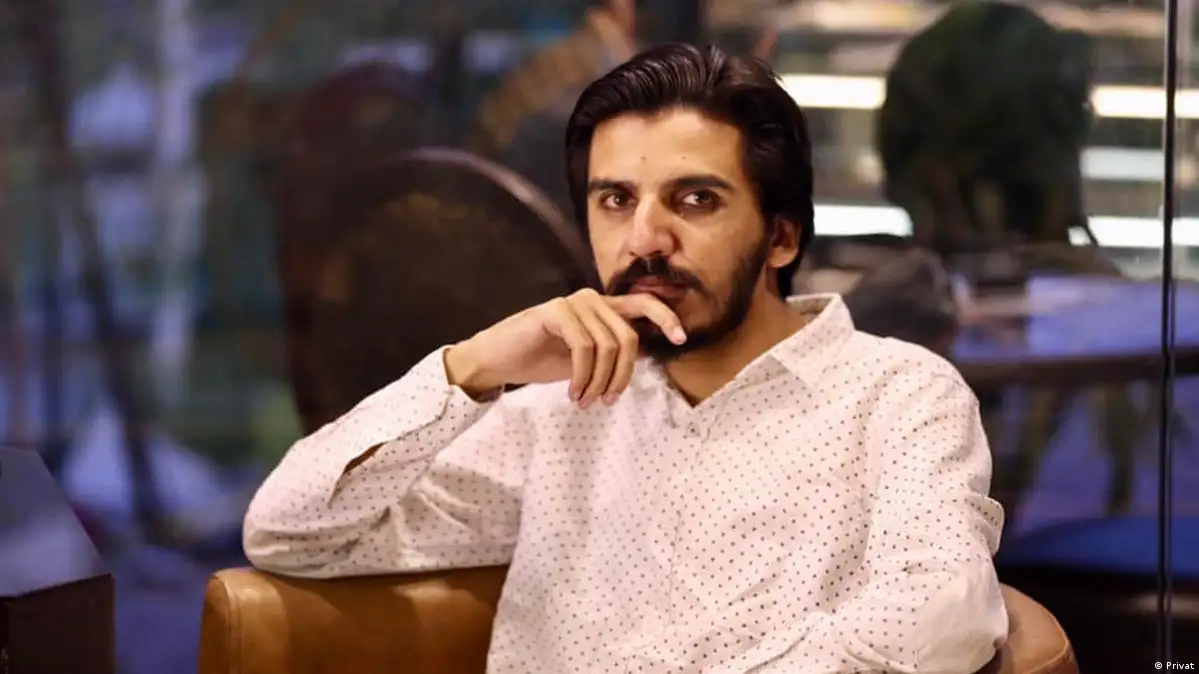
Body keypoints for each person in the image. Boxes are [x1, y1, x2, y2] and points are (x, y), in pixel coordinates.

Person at [245, 43, 1008, 673]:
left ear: (780, 237)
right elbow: (290, 533)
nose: (644, 239)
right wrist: (471, 367)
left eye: (695, 200)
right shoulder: (554, 412)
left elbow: (940, 616)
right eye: (615, 200)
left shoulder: (897, 396)